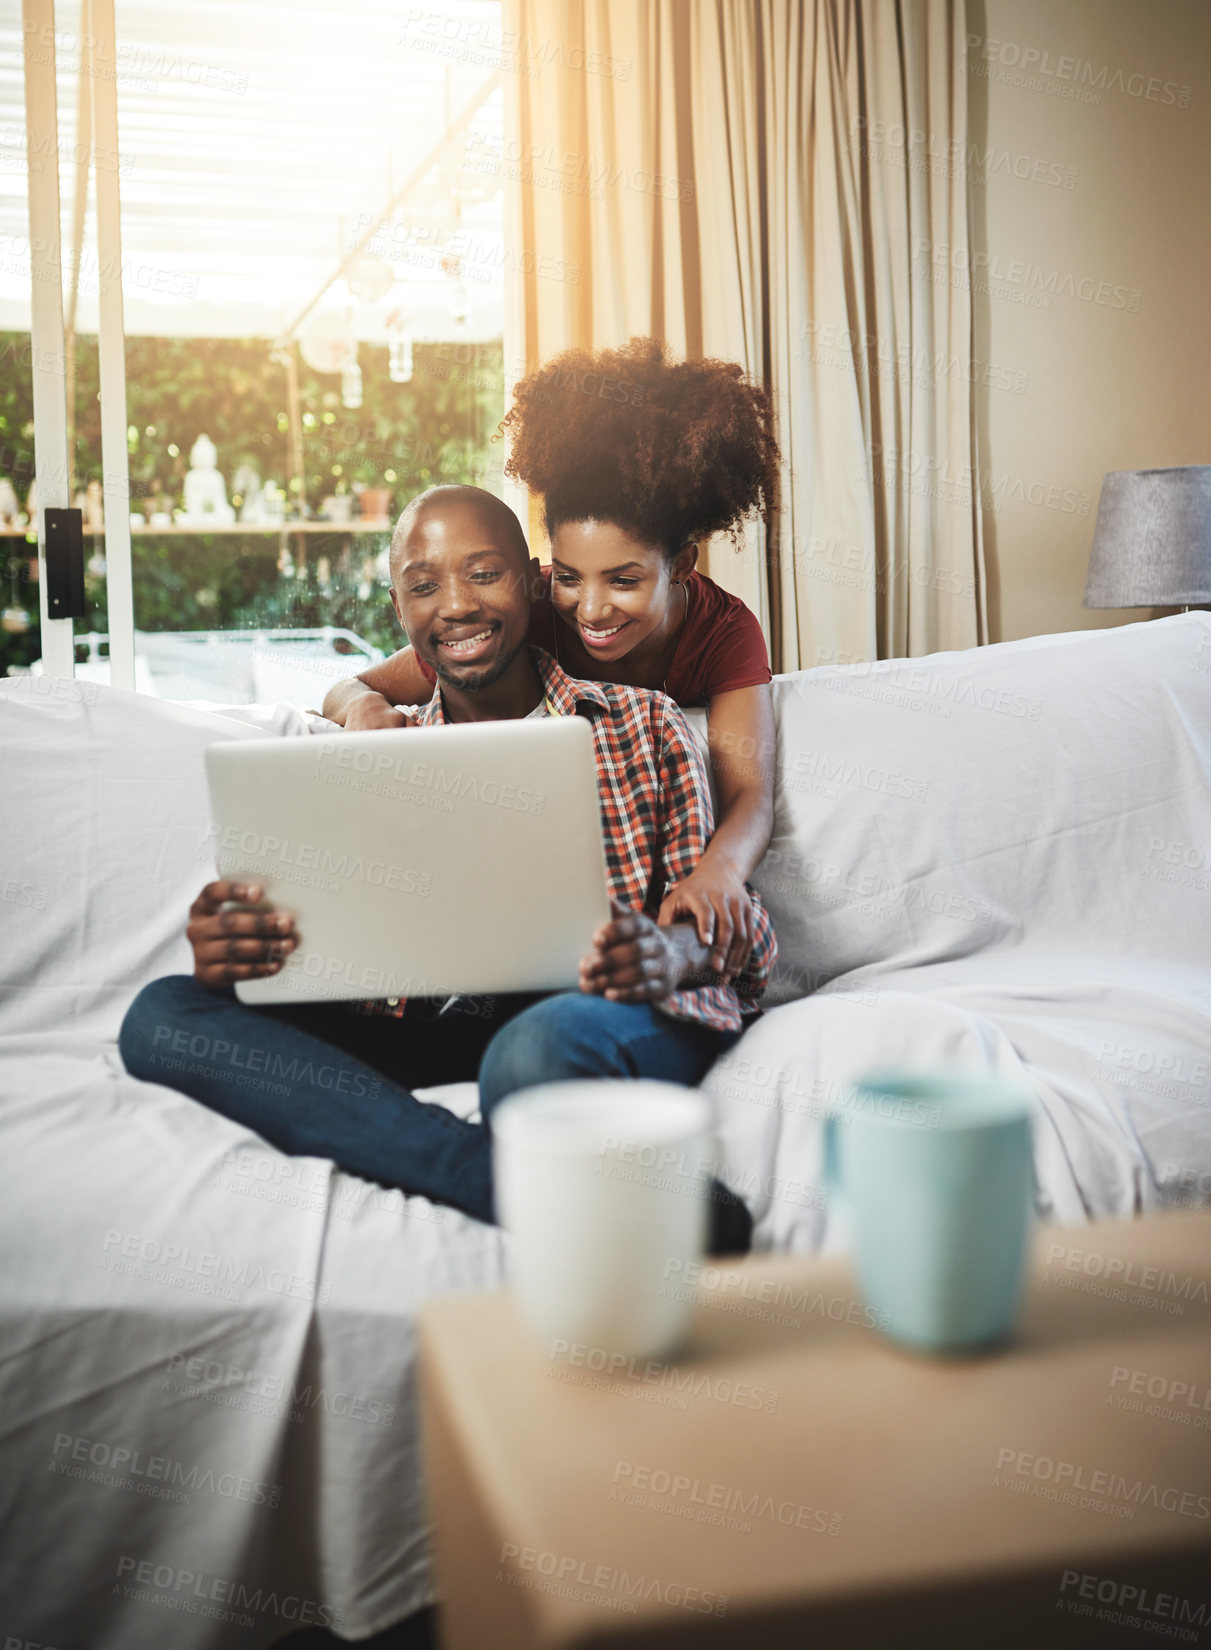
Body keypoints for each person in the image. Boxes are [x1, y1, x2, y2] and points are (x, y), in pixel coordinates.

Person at [119, 486, 777, 1249]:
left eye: (483, 573)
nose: (456, 606)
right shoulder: (364, 761)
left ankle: (491, 1168)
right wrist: (240, 952)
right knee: (165, 1016)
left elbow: (740, 937)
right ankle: (487, 1173)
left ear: (533, 583)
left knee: (530, 1056)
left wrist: (665, 953)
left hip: (594, 1018)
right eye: (424, 586)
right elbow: (321, 942)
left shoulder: (639, 723)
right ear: (398, 608)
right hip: (418, 1023)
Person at [323, 338, 779, 981]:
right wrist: (365, 706)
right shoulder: (516, 607)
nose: (589, 609)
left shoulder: (722, 632)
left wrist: (719, 873)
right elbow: (350, 684)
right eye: (568, 575)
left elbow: (750, 794)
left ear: (680, 565)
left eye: (622, 581)